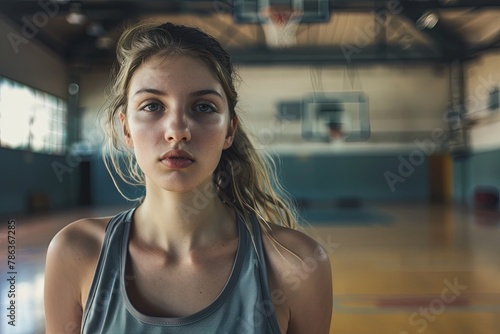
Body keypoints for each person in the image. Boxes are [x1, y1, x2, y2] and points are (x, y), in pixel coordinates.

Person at [44, 21, 332, 333]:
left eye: (203, 107)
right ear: (126, 129)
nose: (177, 130)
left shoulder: (295, 263)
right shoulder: (75, 252)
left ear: (229, 130)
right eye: (153, 105)